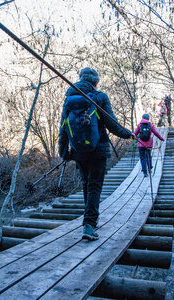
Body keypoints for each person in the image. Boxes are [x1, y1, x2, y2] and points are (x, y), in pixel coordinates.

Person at [58, 67, 133, 241]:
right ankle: (89, 225)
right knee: (95, 187)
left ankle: (89, 221)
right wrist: (129, 134)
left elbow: (62, 128)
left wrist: (64, 153)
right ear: (96, 82)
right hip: (98, 150)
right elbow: (112, 124)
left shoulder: (69, 99)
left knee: (86, 185)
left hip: (78, 152)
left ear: (80, 79)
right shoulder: (100, 97)